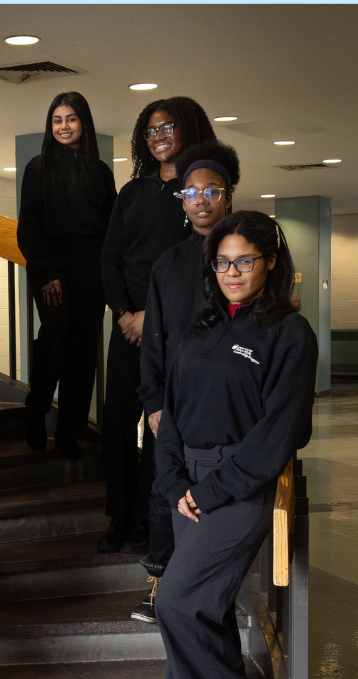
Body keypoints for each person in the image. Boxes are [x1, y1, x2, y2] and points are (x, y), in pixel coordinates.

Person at [152, 211, 317, 679]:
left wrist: (216, 487)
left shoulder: (288, 333)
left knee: (176, 599)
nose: (233, 272)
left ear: (270, 263)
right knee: (208, 606)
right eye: (223, 262)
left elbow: (281, 432)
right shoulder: (198, 328)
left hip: (242, 484)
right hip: (190, 481)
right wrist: (173, 479)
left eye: (245, 260)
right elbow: (170, 414)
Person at [98, 98, 215, 554]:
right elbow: (110, 259)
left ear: (187, 129)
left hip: (173, 329)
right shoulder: (132, 193)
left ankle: (154, 513)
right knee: (117, 422)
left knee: (162, 424)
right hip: (127, 326)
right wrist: (126, 315)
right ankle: (119, 517)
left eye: (168, 126)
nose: (158, 135)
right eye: (150, 129)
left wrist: (151, 315)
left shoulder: (197, 193)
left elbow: (194, 265)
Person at [131, 141, 240, 624]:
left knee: (218, 491)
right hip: (172, 404)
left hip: (227, 404)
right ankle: (160, 583)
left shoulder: (244, 257)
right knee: (164, 489)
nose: (200, 200)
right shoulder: (168, 264)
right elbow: (153, 340)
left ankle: (214, 588)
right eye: (190, 191)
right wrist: (152, 401)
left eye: (211, 190)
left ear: (228, 195)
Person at [16, 92, 117, 460]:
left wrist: (109, 277)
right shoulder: (38, 168)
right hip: (50, 271)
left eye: (71, 119)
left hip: (91, 271)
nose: (63, 126)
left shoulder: (101, 172)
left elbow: (112, 231)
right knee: (55, 340)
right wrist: (47, 273)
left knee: (83, 352)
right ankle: (37, 407)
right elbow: (28, 227)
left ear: (83, 123)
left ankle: (69, 427)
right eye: (57, 120)